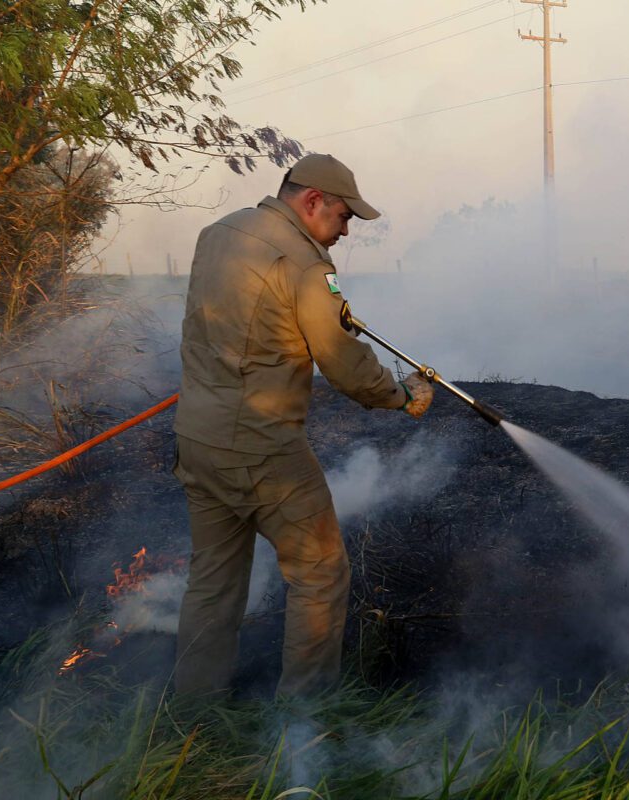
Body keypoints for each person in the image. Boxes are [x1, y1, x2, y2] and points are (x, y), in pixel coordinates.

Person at [171, 153, 433, 698]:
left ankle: (192, 713)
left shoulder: (217, 234)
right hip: (260, 445)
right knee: (320, 573)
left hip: (197, 437)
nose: (344, 232)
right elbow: (341, 360)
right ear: (313, 201)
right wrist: (401, 393)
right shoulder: (306, 265)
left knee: (213, 581)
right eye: (343, 219)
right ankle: (305, 721)